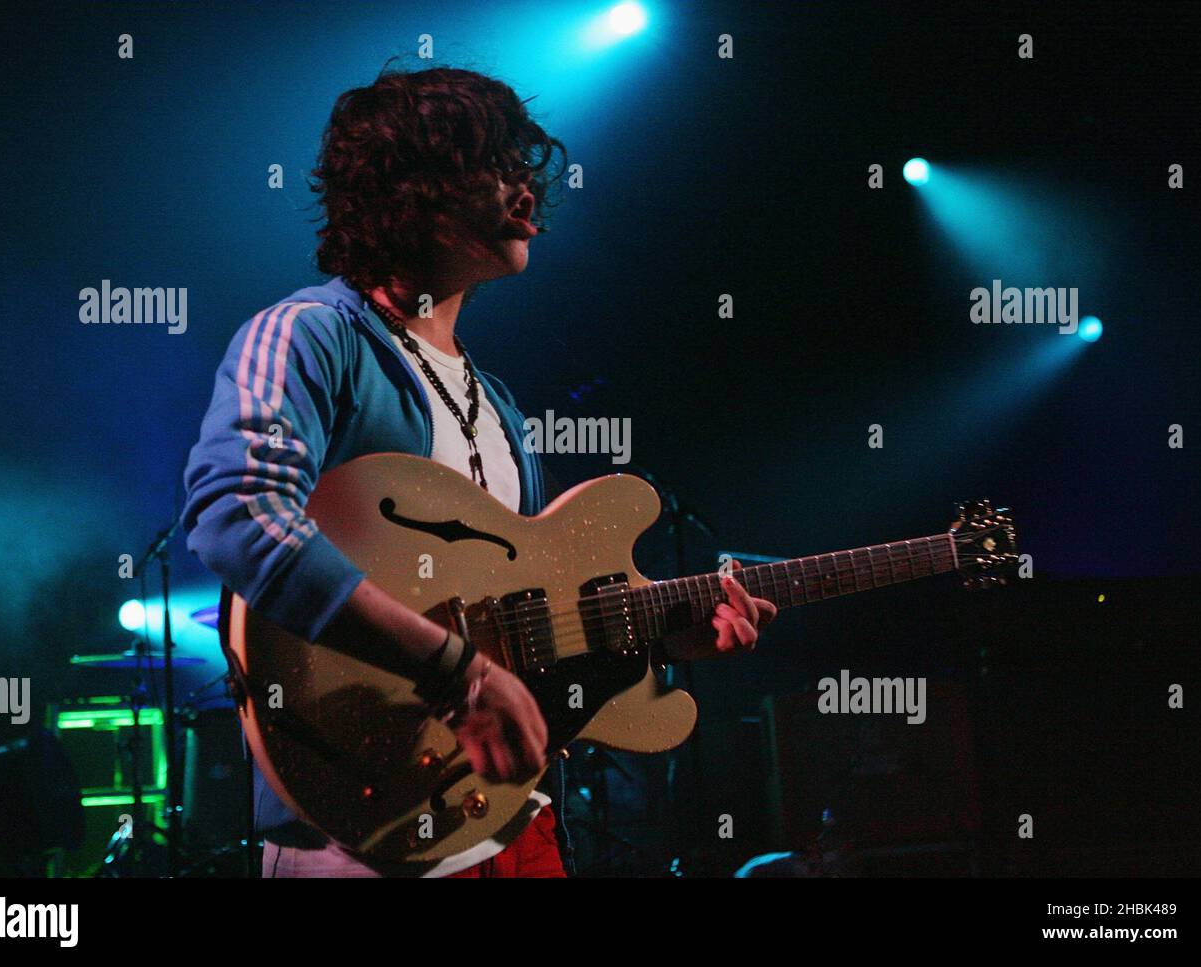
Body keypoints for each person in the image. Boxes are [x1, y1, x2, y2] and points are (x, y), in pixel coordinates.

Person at [181, 66, 775, 878]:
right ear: (408, 190)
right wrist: (453, 673)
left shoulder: (496, 402)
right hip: (358, 833)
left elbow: (523, 636)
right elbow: (236, 510)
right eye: (493, 167)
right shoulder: (307, 335)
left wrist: (660, 642)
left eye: (524, 169)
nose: (527, 192)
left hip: (509, 823)